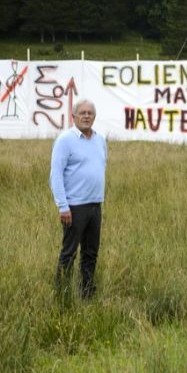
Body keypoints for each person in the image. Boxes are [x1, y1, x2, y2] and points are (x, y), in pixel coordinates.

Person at [50, 99, 107, 300]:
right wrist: (63, 206)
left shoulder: (100, 140)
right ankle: (61, 294)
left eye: (90, 113)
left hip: (95, 205)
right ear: (74, 117)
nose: (86, 116)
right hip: (74, 207)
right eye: (82, 113)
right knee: (69, 253)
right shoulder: (65, 140)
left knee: (91, 253)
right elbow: (55, 175)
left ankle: (87, 294)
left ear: (94, 117)